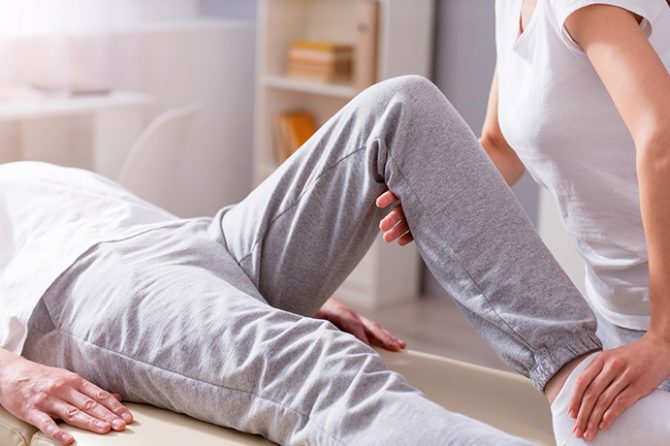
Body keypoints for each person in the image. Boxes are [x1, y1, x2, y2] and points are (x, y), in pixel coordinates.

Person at [1, 73, 604, 446]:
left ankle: (577, 377)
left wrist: (241, 289)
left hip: (200, 239)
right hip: (85, 282)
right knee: (321, 364)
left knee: (400, 107)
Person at [382, 0, 670, 444]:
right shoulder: (511, 6)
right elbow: (500, 146)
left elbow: (662, 134)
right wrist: (435, 199)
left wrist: (663, 337)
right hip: (618, 306)